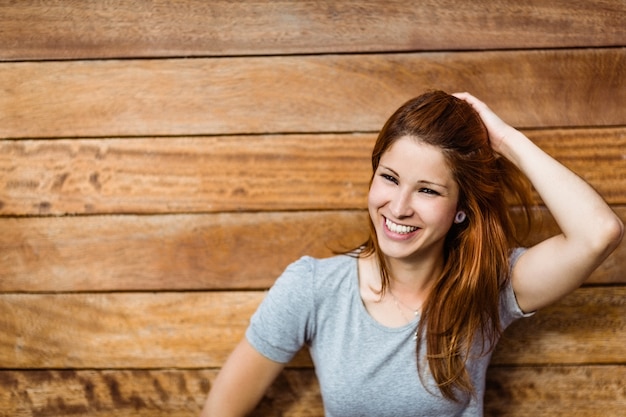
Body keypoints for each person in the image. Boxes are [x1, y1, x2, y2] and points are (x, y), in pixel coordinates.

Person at [200, 91, 623, 416]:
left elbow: (598, 233)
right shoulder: (313, 287)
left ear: (461, 209)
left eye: (427, 190)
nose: (399, 207)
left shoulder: (488, 286)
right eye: (389, 178)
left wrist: (505, 140)